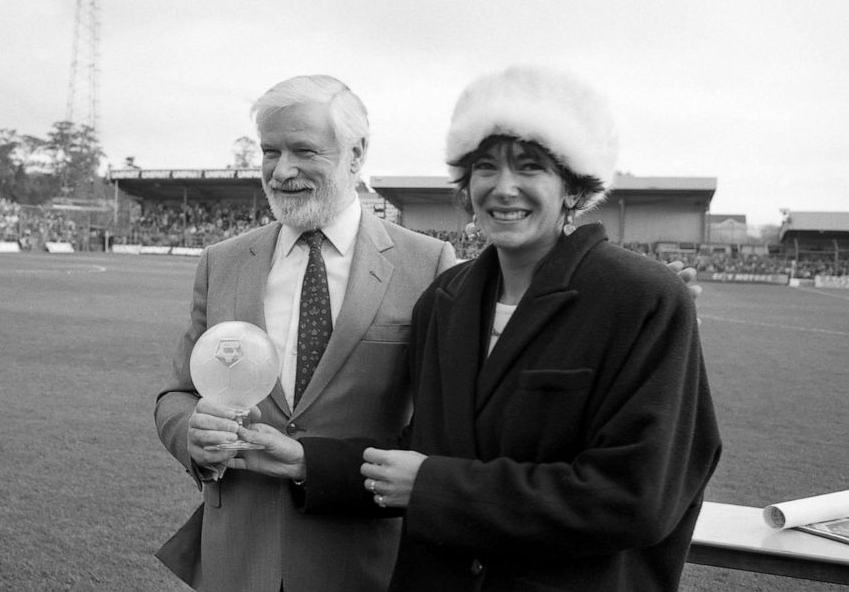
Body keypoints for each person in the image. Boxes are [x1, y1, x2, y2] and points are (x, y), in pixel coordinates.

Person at [236, 64, 722, 591]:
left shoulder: (644, 299)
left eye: (531, 167)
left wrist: (433, 486)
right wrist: (309, 461)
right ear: (466, 187)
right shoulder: (446, 301)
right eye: (485, 167)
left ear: (574, 189)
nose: (503, 188)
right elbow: (421, 448)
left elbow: (637, 497)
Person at [154, 74, 458, 592]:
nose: (282, 170)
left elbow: (439, 430)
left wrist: (314, 465)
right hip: (237, 559)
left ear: (356, 153)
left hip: (360, 560)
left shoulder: (428, 264)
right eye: (270, 151)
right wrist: (192, 434)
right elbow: (179, 393)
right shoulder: (221, 262)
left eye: (304, 150)